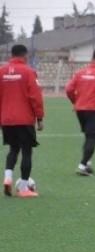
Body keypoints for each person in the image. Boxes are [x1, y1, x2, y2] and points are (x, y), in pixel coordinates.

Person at [1, 44, 44, 197]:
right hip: (24, 119)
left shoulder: (2, 71)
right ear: (24, 56)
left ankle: (7, 178)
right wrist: (40, 117)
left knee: (13, 149)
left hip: (6, 119)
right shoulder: (28, 71)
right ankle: (24, 188)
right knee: (27, 151)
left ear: (12, 56)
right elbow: (35, 96)